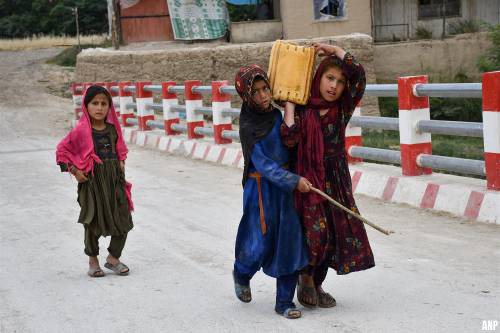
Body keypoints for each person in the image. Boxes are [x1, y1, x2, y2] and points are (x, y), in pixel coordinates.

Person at [281, 43, 375, 308]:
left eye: (340, 82)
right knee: (314, 231)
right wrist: (289, 106)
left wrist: (336, 50)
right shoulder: (302, 109)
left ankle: (317, 283)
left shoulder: (342, 110)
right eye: (329, 78)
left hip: (335, 180)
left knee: (333, 233)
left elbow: (360, 76)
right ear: (318, 78)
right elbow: (289, 139)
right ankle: (306, 279)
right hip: (308, 181)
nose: (334, 86)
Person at [232, 65, 312, 319]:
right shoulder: (248, 127)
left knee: (288, 241)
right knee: (259, 243)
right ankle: (242, 273)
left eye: (265, 88)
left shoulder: (277, 117)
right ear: (246, 96)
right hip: (260, 191)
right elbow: (264, 166)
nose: (263, 95)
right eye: (255, 92)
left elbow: (290, 145)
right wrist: (293, 180)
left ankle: (284, 302)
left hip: (284, 192)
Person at [56, 85, 134, 278]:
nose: (99, 107)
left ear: (109, 107)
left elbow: (120, 150)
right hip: (92, 183)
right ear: (86, 106)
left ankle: (113, 258)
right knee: (93, 221)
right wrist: (74, 170)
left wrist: (121, 162)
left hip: (114, 181)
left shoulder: (113, 129)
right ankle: (93, 260)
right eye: (95, 103)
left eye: (104, 103)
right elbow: (61, 151)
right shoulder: (81, 131)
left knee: (123, 218)